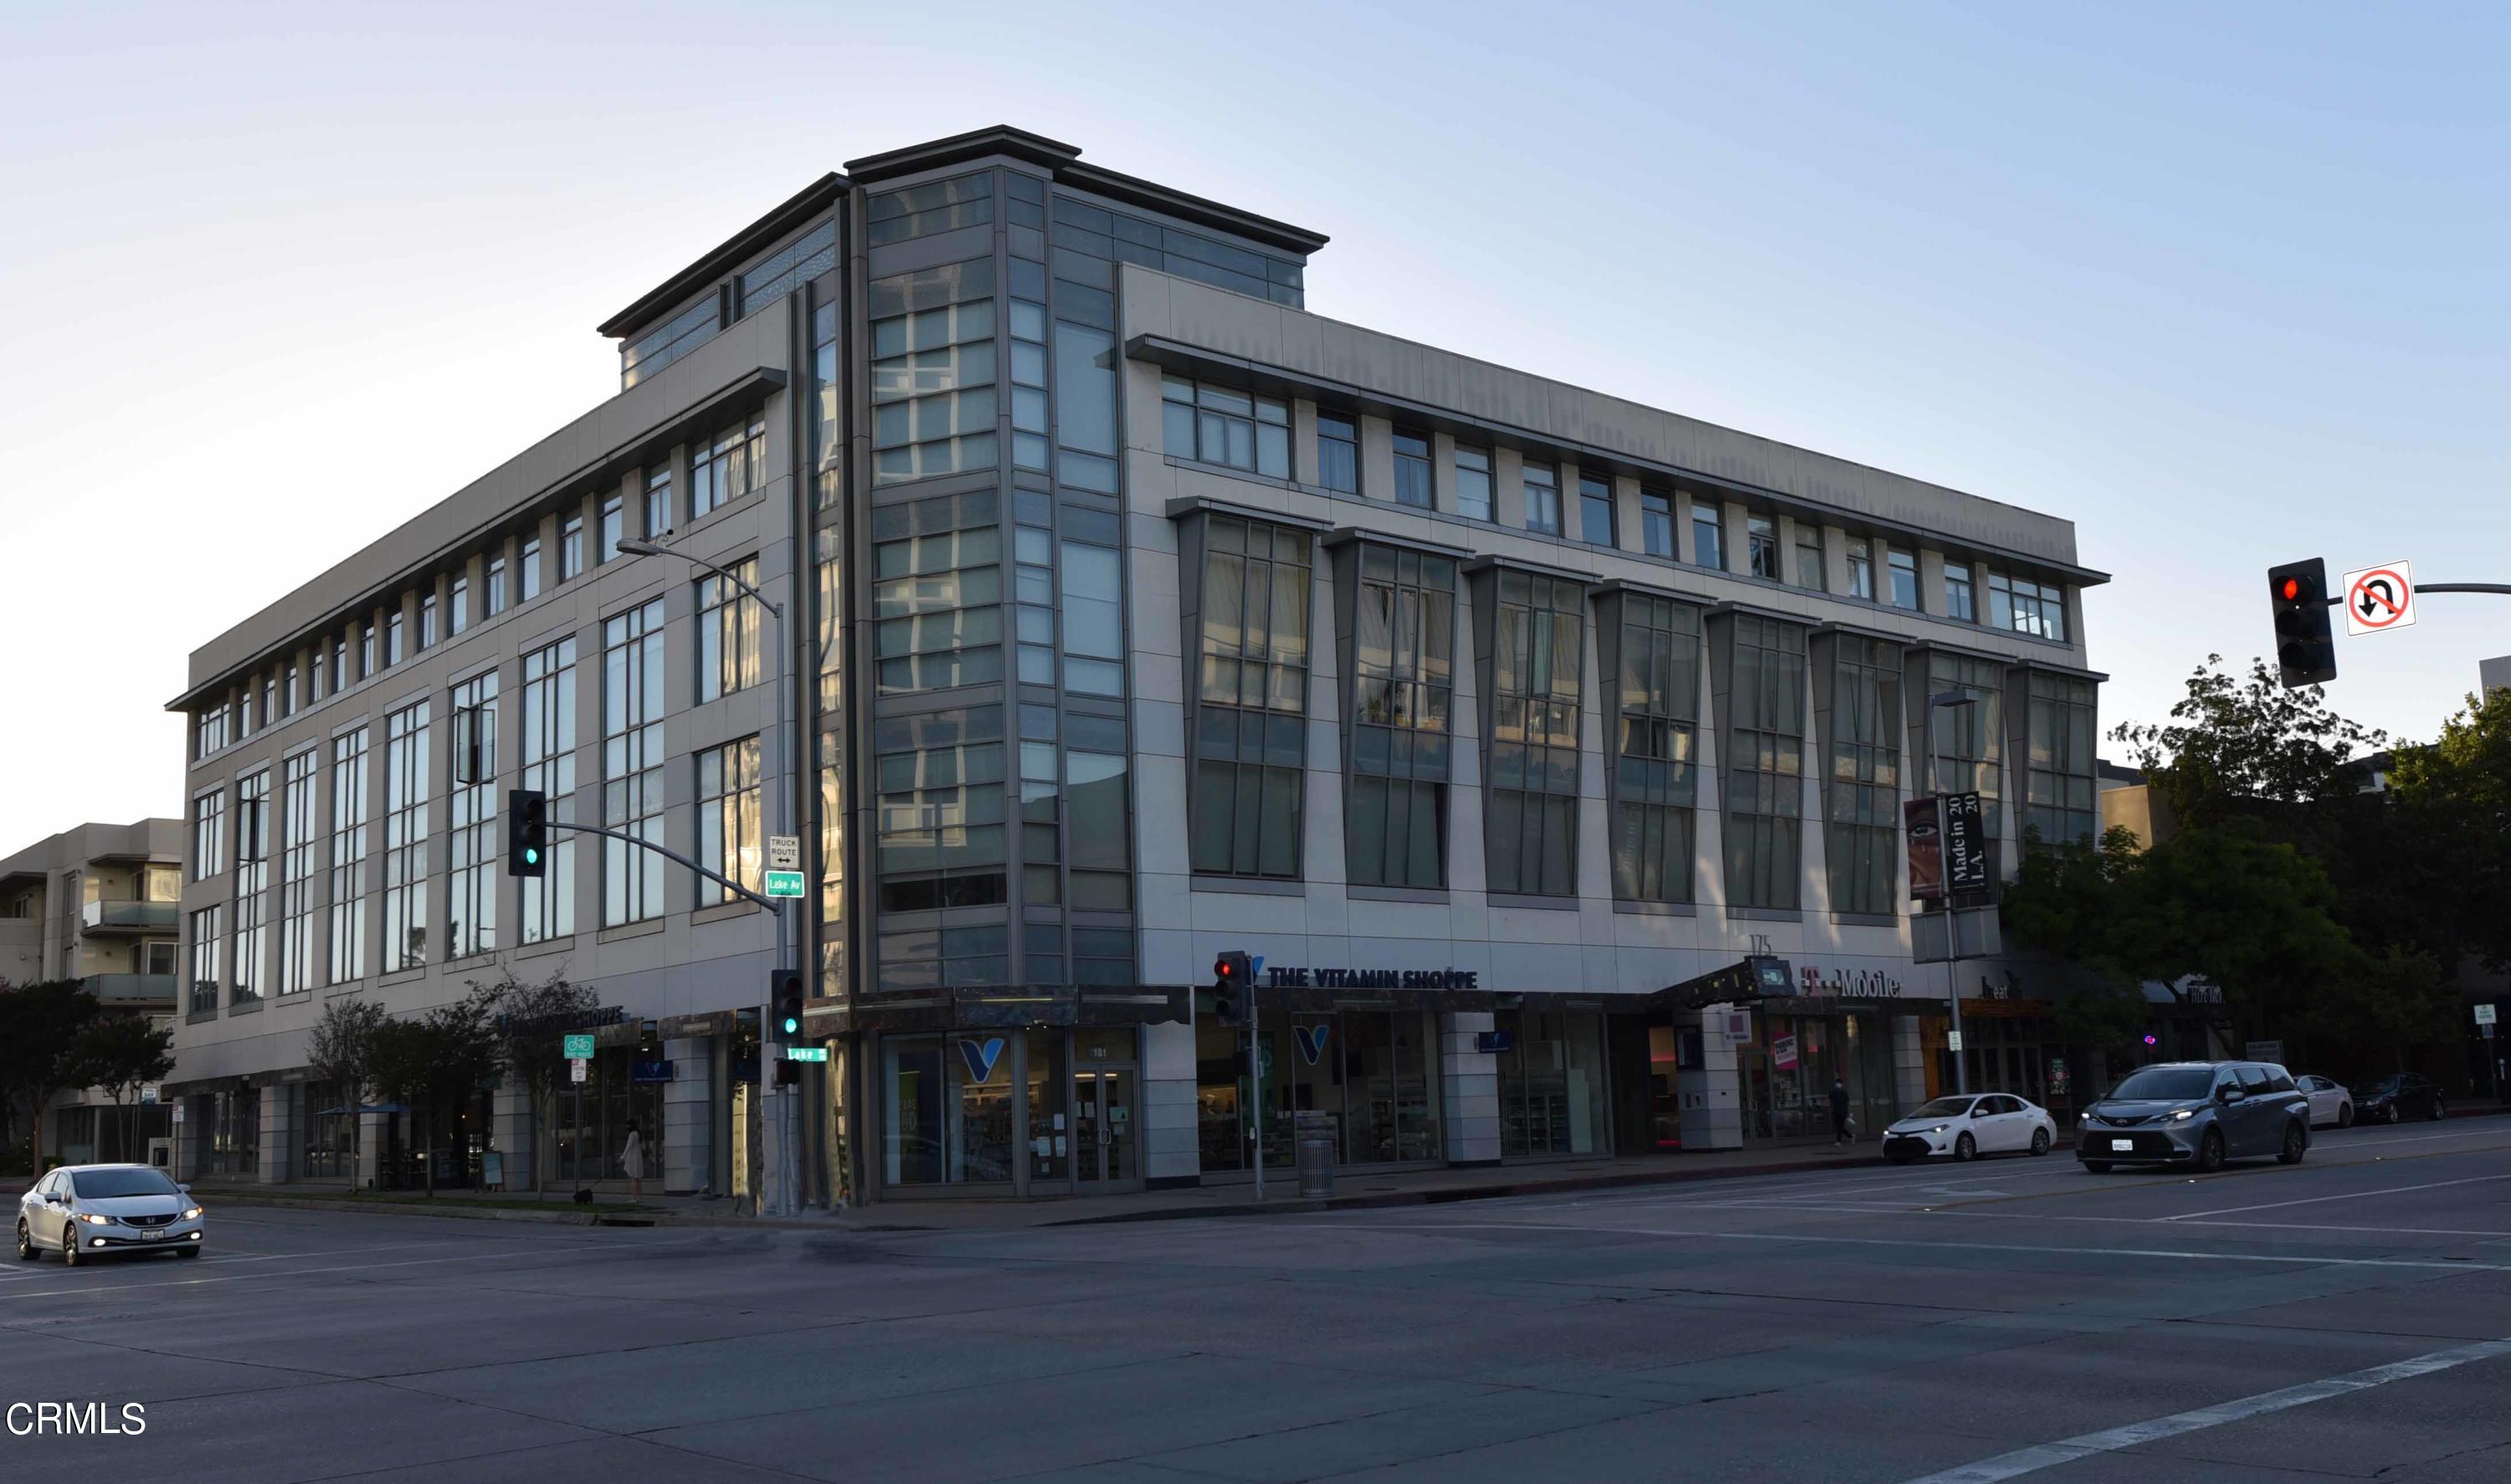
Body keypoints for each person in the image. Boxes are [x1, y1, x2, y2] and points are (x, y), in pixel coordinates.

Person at [619, 1127, 644, 1199]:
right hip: (638, 1158)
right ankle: (639, 1197)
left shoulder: (632, 1134)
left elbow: (628, 1147)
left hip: (632, 1159)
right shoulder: (639, 1134)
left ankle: (635, 1198)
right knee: (638, 1179)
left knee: (633, 1179)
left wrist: (622, 1157)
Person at [1830, 1076, 1852, 1147]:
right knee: (1840, 1127)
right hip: (1836, 1112)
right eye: (1837, 1083)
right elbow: (1830, 1100)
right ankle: (1850, 1136)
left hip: (1843, 1112)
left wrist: (1848, 1112)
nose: (1838, 1084)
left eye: (1839, 1083)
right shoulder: (1833, 1092)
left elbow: (1847, 1102)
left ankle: (1839, 1141)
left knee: (1839, 1127)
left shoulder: (1844, 1092)